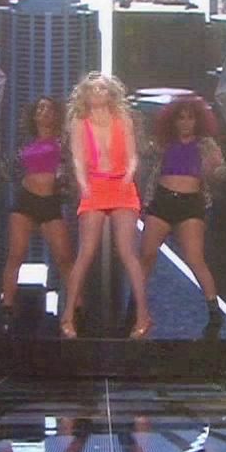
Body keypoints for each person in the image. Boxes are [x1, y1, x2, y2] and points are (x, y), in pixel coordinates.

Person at [60, 73, 150, 339]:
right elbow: (78, 159)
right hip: (95, 186)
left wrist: (128, 176)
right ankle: (68, 316)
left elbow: (133, 156)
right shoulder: (80, 121)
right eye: (93, 89)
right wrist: (83, 185)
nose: (98, 92)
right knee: (86, 252)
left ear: (111, 93)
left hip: (122, 186)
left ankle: (143, 316)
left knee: (127, 252)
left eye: (102, 88)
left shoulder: (123, 118)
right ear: (85, 94)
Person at [139, 95, 226, 334]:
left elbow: (221, 171)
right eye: (181, 118)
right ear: (173, 121)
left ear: (198, 120)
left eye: (190, 118)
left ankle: (214, 312)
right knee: (146, 256)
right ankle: (135, 310)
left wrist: (217, 170)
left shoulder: (206, 145)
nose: (186, 123)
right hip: (162, 201)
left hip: (191, 204)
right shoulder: (163, 143)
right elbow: (143, 150)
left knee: (195, 258)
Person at [0, 96, 76, 327]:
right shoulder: (25, 144)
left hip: (50, 202)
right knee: (16, 255)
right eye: (40, 108)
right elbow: (8, 170)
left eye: (49, 108)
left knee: (64, 259)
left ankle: (76, 309)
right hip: (26, 201)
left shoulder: (64, 142)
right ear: (34, 115)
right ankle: (6, 309)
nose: (44, 112)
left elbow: (72, 172)